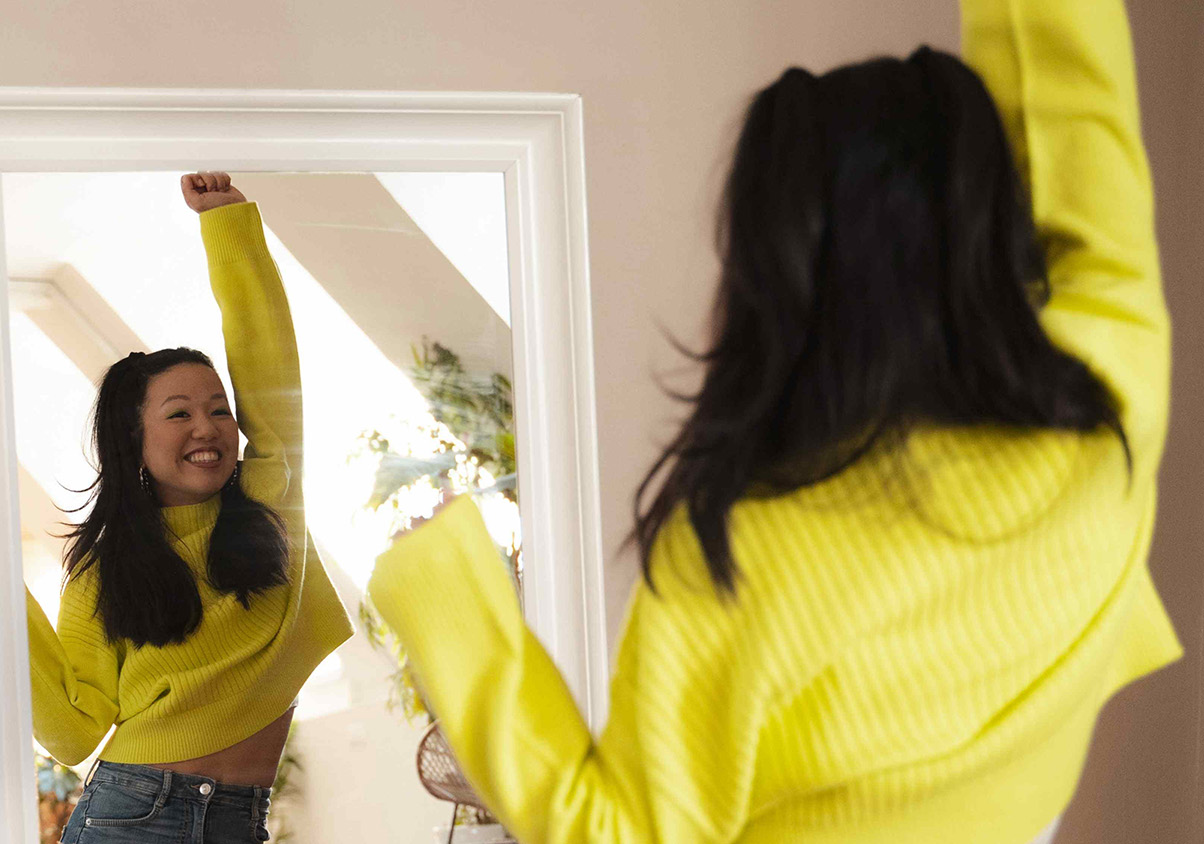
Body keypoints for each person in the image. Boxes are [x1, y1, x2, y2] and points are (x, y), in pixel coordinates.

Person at [368, 0, 1183, 841]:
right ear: (991, 215)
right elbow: (1075, 107)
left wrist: (447, 595)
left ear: (771, 270)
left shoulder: (748, 558)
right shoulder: (1107, 399)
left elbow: (612, 832)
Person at [24, 172, 352, 843]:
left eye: (218, 409)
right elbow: (76, 729)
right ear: (135, 443)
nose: (207, 428)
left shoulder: (270, 501)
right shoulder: (105, 570)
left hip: (237, 819)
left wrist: (228, 228)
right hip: (132, 815)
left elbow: (268, 362)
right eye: (179, 414)